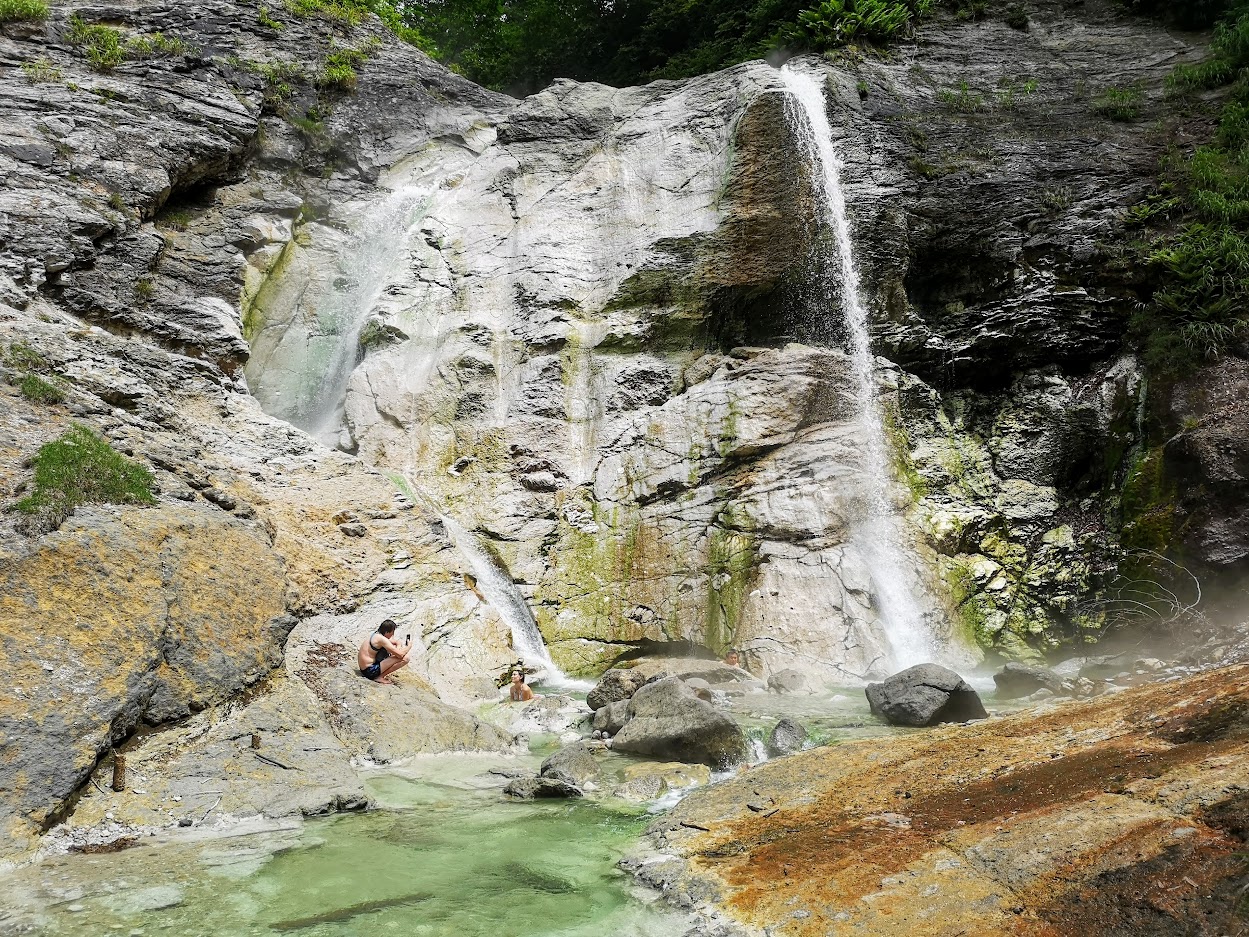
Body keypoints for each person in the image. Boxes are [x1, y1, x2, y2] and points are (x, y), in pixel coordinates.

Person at [357, 619, 411, 685]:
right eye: (392, 632)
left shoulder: (376, 635)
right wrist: (409, 646)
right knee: (406, 658)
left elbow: (394, 642)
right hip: (370, 671)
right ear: (387, 632)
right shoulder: (381, 639)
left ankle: (379, 675)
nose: (392, 634)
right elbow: (400, 655)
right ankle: (379, 677)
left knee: (391, 652)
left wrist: (398, 645)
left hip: (364, 669)